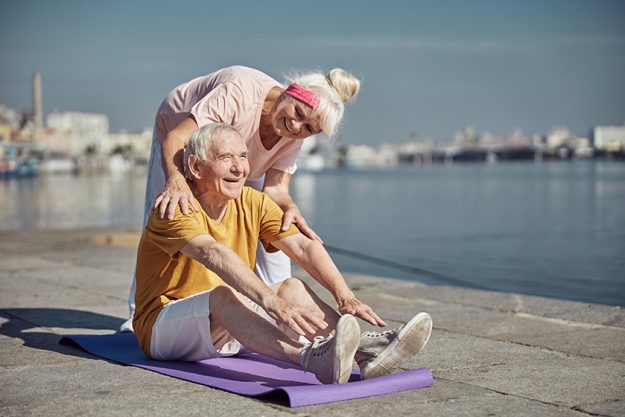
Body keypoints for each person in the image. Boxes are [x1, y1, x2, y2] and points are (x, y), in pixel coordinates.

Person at [132, 123, 433, 384]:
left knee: (292, 286)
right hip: (162, 328)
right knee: (223, 295)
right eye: (226, 158)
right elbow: (211, 252)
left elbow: (302, 245)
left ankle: (369, 352)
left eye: (243, 156)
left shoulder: (252, 201)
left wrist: (345, 296)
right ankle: (308, 358)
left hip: (224, 327)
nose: (239, 168)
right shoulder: (173, 207)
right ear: (196, 167)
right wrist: (270, 301)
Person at [122, 65, 361, 332]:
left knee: (277, 224)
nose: (296, 126)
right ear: (290, 92)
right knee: (168, 210)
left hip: (237, 159)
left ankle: (288, 316)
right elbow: (177, 138)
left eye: (308, 128)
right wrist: (176, 180)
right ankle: (136, 316)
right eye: (297, 113)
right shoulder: (240, 92)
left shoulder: (294, 136)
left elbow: (276, 191)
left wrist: (291, 209)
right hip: (177, 135)